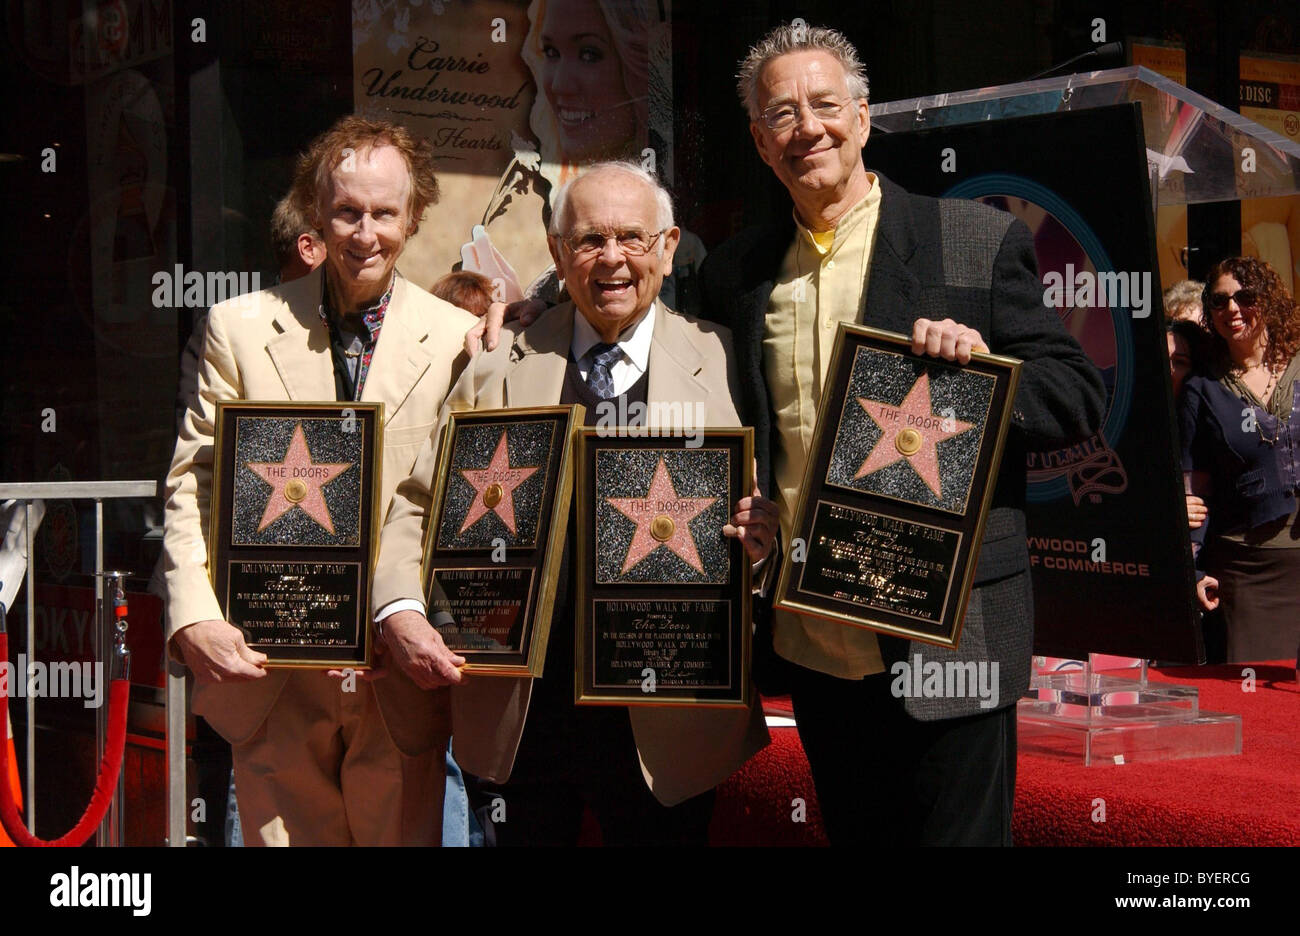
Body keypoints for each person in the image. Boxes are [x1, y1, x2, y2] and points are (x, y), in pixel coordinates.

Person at [698, 23, 1105, 846]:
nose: (807, 127)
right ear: (758, 140)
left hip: (950, 634)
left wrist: (988, 375)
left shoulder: (973, 240)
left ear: (863, 113)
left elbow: (1076, 395)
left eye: (824, 105)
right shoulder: (735, 272)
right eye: (781, 113)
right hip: (815, 641)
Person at [372, 161, 773, 845]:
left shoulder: (729, 358)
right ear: (558, 253)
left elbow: (773, 503)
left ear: (669, 246)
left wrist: (762, 547)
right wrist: (399, 609)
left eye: (632, 238)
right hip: (521, 714)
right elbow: (419, 500)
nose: (611, 258)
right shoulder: (497, 362)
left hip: (670, 719)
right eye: (588, 240)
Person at [161, 115, 480, 845]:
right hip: (271, 672)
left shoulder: (462, 341)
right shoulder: (237, 327)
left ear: (415, 215)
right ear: (316, 214)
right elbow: (194, 481)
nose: (364, 233)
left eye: (383, 213)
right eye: (346, 212)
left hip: (397, 681)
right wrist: (192, 614)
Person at [1181, 257, 1300, 666]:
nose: (1232, 309)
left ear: (1266, 300)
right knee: (1260, 714)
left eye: (1244, 297)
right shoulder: (1203, 388)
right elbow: (1193, 491)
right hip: (1247, 573)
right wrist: (1192, 570)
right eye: (1219, 301)